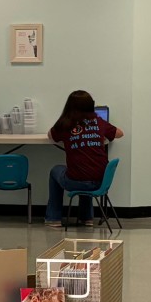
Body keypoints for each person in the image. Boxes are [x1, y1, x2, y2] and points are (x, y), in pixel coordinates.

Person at [45, 90, 122, 225]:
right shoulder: (99, 122)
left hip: (77, 181)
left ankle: (53, 218)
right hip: (100, 182)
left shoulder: (66, 124)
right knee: (87, 170)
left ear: (69, 107)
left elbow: (50, 135)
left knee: (55, 171)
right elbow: (120, 133)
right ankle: (86, 218)